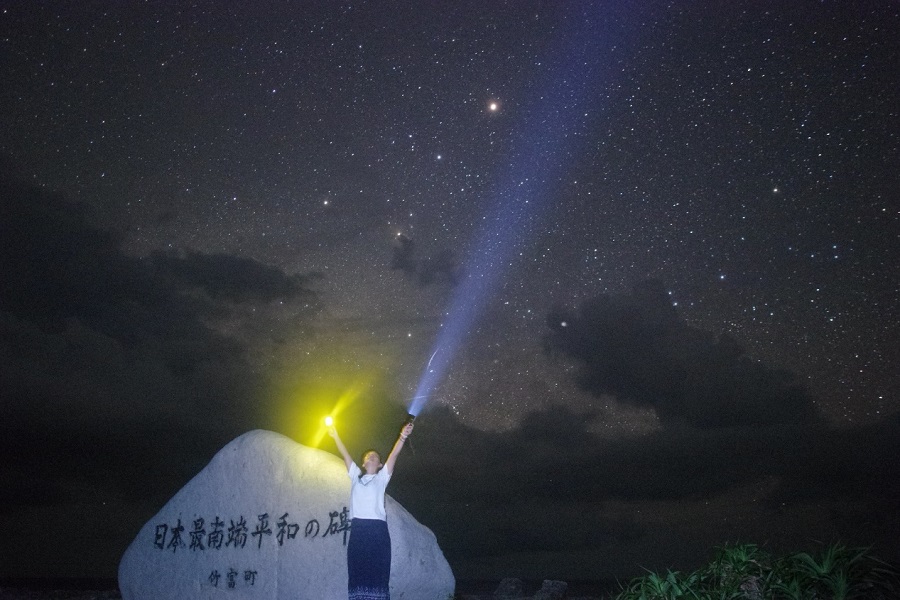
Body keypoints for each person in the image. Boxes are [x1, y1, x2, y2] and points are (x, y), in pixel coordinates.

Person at [328, 420, 414, 600]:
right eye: (369, 456)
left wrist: (403, 436)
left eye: (375, 456)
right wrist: (335, 436)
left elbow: (394, 455)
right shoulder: (355, 477)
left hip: (377, 530)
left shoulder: (381, 478)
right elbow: (345, 455)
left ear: (380, 464)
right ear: (363, 463)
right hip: (358, 529)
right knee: (357, 568)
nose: (372, 457)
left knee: (378, 569)